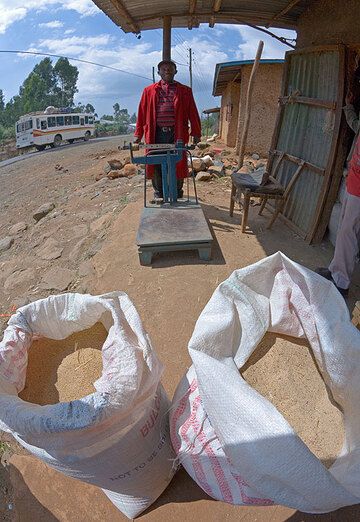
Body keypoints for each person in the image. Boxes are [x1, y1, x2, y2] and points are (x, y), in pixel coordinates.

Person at [316, 67, 360, 297]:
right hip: (354, 180)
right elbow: (356, 126)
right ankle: (336, 270)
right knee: (345, 229)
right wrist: (348, 106)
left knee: (348, 232)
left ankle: (341, 281)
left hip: (359, 184)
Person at [134, 59, 201, 200]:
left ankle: (176, 193)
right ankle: (160, 194)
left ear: (175, 71)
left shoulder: (185, 91)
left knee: (177, 162)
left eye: (170, 69)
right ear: (158, 72)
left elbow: (193, 113)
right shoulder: (148, 91)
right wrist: (138, 136)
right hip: (155, 134)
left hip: (177, 134)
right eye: (163, 69)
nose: (167, 71)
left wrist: (196, 133)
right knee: (156, 162)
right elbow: (141, 114)